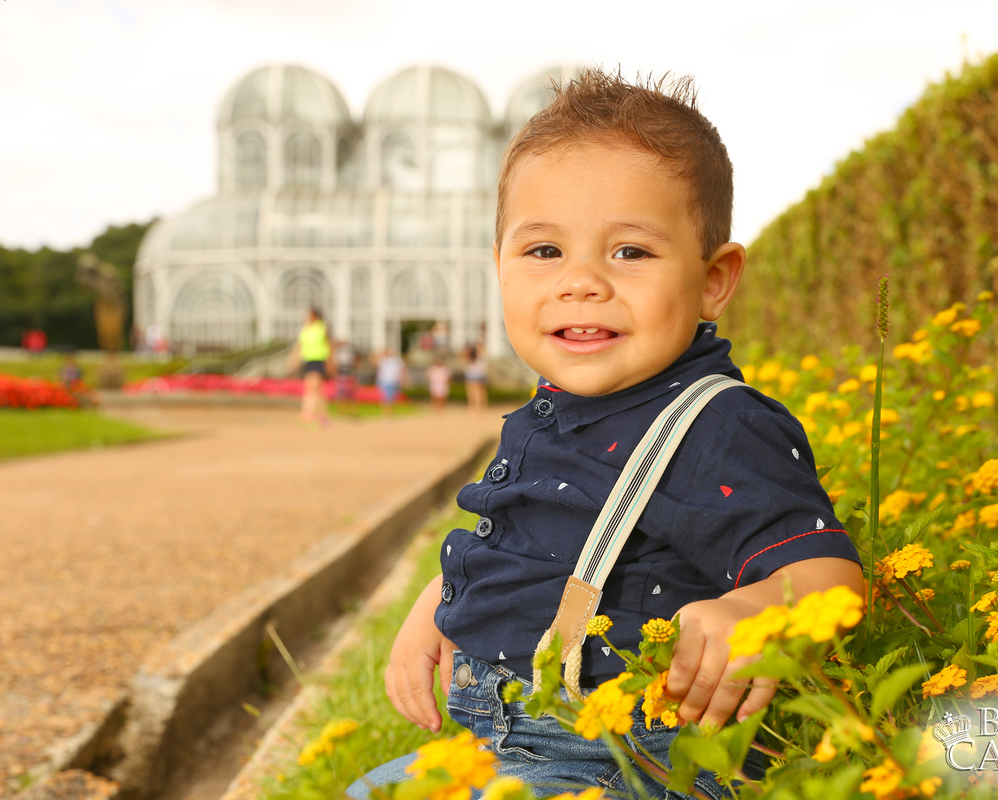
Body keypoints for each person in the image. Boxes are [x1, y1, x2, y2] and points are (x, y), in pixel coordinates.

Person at [348, 69, 863, 799]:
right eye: (544, 251)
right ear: (499, 267)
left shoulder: (715, 422)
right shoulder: (550, 410)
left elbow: (828, 573)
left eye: (629, 252)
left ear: (714, 278)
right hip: (502, 736)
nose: (581, 281)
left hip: (633, 758)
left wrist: (753, 609)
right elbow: (530, 540)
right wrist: (440, 603)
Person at [293, 308, 330, 426]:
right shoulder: (306, 328)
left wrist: (330, 362)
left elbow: (328, 344)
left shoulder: (321, 327)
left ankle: (310, 414)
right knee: (314, 389)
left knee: (313, 387)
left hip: (318, 359)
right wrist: (294, 359)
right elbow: (300, 345)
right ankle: (320, 415)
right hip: (308, 360)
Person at [372, 347, 408, 414]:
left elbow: (402, 369)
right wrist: (378, 354)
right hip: (384, 380)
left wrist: (404, 378)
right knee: (385, 396)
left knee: (391, 396)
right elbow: (374, 362)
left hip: (393, 380)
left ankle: (389, 411)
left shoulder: (396, 360)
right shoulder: (382, 360)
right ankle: (386, 411)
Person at [333, 339, 359, 417]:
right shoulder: (337, 351)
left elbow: (353, 360)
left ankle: (352, 411)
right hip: (340, 372)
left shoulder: (350, 350)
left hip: (348, 372)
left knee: (351, 393)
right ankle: (340, 410)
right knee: (340, 393)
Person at [463, 342, 488, 412]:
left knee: (478, 393)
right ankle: (475, 407)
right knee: (472, 393)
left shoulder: (480, 356)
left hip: (477, 374)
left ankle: (479, 407)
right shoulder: (473, 357)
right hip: (473, 374)